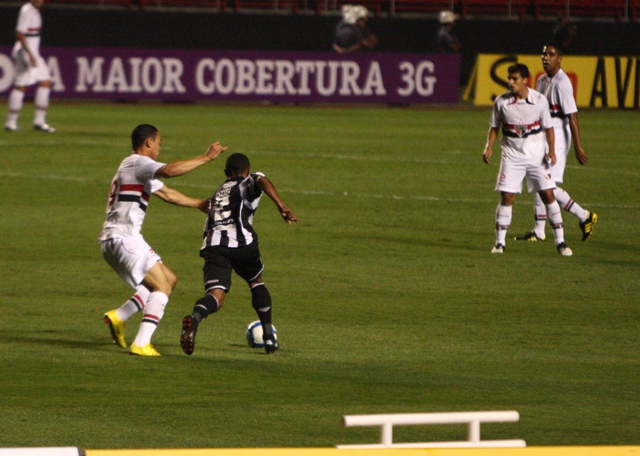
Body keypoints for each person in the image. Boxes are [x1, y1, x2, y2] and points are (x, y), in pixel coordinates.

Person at [100, 124, 227, 356]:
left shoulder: (137, 168)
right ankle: (141, 343)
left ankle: (120, 316)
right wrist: (206, 157)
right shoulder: (139, 162)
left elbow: (168, 193)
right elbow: (169, 170)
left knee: (169, 278)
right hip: (123, 238)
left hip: (119, 238)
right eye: (159, 143)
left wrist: (199, 203)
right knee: (163, 285)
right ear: (148, 142)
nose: (160, 148)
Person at [180, 152, 298, 356]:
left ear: (226, 173)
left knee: (216, 296)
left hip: (215, 246)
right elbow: (261, 179)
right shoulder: (248, 181)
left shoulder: (218, 192)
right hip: (243, 245)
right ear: (247, 170)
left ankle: (196, 318)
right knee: (256, 281)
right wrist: (282, 206)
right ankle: (269, 337)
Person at [483, 63, 572, 257]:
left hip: (536, 157)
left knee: (548, 194)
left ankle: (561, 241)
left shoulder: (539, 101)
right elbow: (494, 127)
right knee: (507, 197)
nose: (510, 82)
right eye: (509, 78)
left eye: (514, 79)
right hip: (512, 157)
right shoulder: (501, 102)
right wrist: (488, 146)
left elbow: (548, 127)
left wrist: (551, 151)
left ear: (525, 80)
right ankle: (499, 243)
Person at [514, 42, 597, 243]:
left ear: (559, 58)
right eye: (544, 54)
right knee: (537, 178)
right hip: (544, 135)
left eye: (551, 54)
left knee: (546, 184)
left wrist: (577, 146)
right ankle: (539, 230)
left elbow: (573, 116)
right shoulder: (542, 80)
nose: (546, 58)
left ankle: (584, 215)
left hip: (559, 136)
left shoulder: (562, 83)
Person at [4, 0, 56, 133]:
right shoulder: (27, 10)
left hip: (31, 53)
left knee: (45, 83)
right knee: (21, 85)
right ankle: (11, 123)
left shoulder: (34, 11)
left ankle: (39, 122)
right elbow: (20, 34)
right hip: (26, 52)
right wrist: (30, 55)